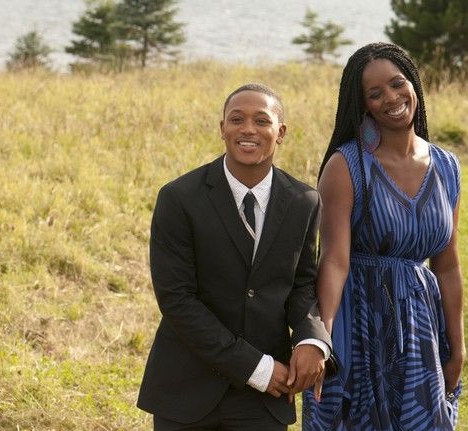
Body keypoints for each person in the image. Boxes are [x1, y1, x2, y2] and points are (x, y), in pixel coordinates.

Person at [137, 83, 332, 430]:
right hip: (187, 388)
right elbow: (177, 299)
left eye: (262, 121)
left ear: (280, 132)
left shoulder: (305, 201)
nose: (248, 129)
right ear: (222, 128)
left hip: (264, 401)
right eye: (237, 119)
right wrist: (256, 368)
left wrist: (311, 339)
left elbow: (301, 287)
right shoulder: (179, 198)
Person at [302, 43, 465, 430]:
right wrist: (321, 342)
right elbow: (335, 262)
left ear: (413, 84)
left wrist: (458, 347)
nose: (391, 98)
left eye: (397, 84)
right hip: (359, 324)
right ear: (363, 105)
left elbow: (448, 264)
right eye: (375, 94)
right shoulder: (346, 165)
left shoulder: (446, 166)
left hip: (422, 326)